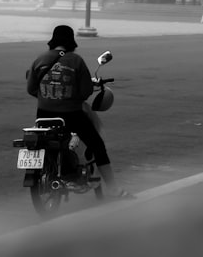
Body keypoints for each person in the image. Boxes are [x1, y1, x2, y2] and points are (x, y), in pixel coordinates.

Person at [26, 25, 131, 199]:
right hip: (71, 115)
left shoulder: (39, 59)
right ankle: (113, 188)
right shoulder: (75, 60)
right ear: (70, 41)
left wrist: (48, 94)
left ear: (53, 40)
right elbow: (85, 92)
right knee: (97, 144)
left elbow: (31, 89)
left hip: (43, 115)